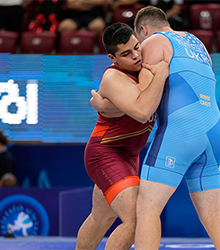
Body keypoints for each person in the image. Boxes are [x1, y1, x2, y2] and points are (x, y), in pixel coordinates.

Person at [131, 6, 220, 249]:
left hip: (181, 131)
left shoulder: (153, 42)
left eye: (137, 43)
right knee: (213, 214)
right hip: (213, 133)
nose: (137, 51)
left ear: (143, 30)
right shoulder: (198, 44)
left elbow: (144, 102)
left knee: (147, 207)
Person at [75, 22, 169, 250]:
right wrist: (162, 73)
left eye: (137, 47)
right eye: (127, 54)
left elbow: (139, 101)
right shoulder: (113, 78)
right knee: (136, 218)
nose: (137, 56)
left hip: (130, 155)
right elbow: (142, 109)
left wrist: (109, 106)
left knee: (101, 218)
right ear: (112, 58)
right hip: (105, 153)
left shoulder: (144, 62)